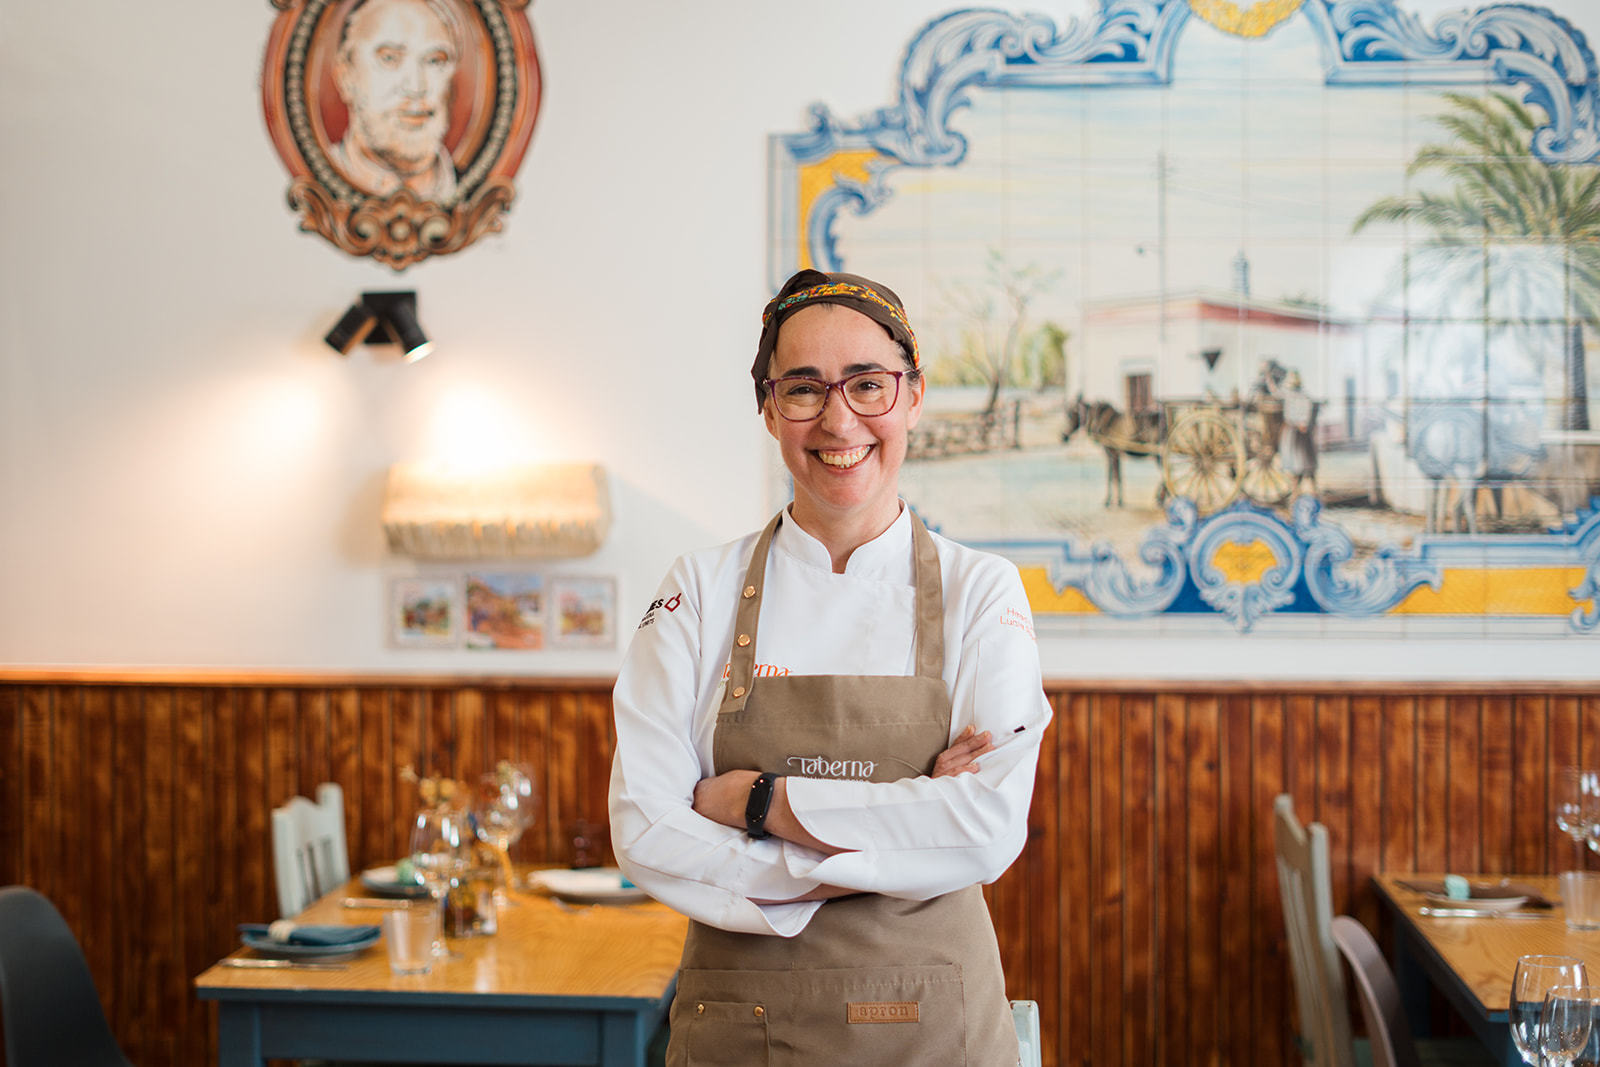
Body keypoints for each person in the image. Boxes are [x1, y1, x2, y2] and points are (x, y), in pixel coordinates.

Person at [609, 269, 1051, 1065]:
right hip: (740, 1030)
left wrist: (759, 802)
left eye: (868, 384)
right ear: (769, 409)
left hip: (935, 1029)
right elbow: (644, 828)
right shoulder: (698, 591)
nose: (838, 419)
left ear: (914, 395)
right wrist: (874, 848)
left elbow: (985, 826)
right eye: (804, 389)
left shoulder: (983, 591)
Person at [328, 0, 462, 202]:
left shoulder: (475, 190)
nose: (416, 88)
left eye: (435, 60)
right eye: (390, 59)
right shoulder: (317, 181)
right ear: (346, 78)